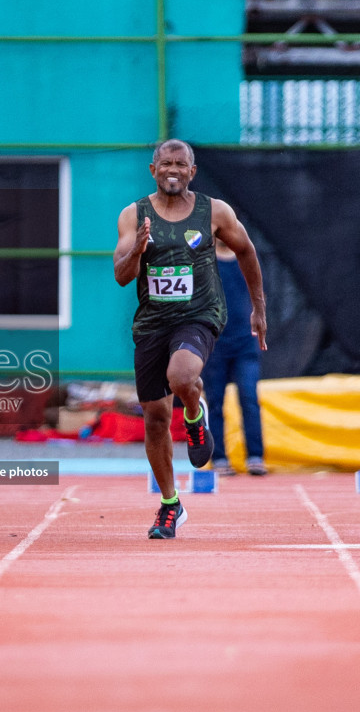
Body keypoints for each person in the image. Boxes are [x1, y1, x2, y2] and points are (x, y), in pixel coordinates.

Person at [114, 140, 267, 539]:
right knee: (155, 419)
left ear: (192, 172)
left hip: (199, 315)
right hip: (152, 322)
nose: (173, 170)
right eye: (166, 163)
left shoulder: (214, 211)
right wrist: (137, 252)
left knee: (182, 376)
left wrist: (259, 309)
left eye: (181, 164)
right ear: (153, 169)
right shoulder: (134, 215)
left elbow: (247, 251)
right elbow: (121, 274)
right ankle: (170, 504)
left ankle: (195, 416)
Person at [202, 238, 268, 477]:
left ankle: (255, 457)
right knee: (215, 402)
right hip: (215, 343)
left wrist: (260, 319)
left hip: (245, 342)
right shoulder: (205, 261)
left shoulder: (246, 258)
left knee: (249, 397)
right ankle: (219, 458)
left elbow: (259, 291)